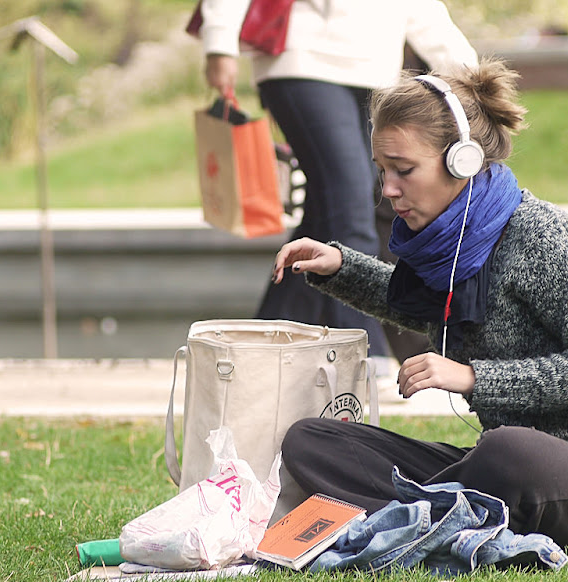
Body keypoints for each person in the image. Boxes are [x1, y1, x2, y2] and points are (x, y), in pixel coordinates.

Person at [270, 57, 568, 552]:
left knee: (505, 449)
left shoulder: (541, 236)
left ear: (463, 160)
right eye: (383, 170)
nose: (388, 189)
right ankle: (442, 510)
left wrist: (475, 378)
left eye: (404, 170)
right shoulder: (446, 240)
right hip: (502, 474)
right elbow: (426, 308)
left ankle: (425, 512)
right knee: (314, 441)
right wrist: (340, 268)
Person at [198, 0, 478, 362]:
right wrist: (219, 44)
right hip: (301, 60)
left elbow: (420, 8)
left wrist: (471, 77)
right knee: (350, 207)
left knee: (329, 213)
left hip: (376, 72)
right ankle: (359, 352)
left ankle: (260, 349)